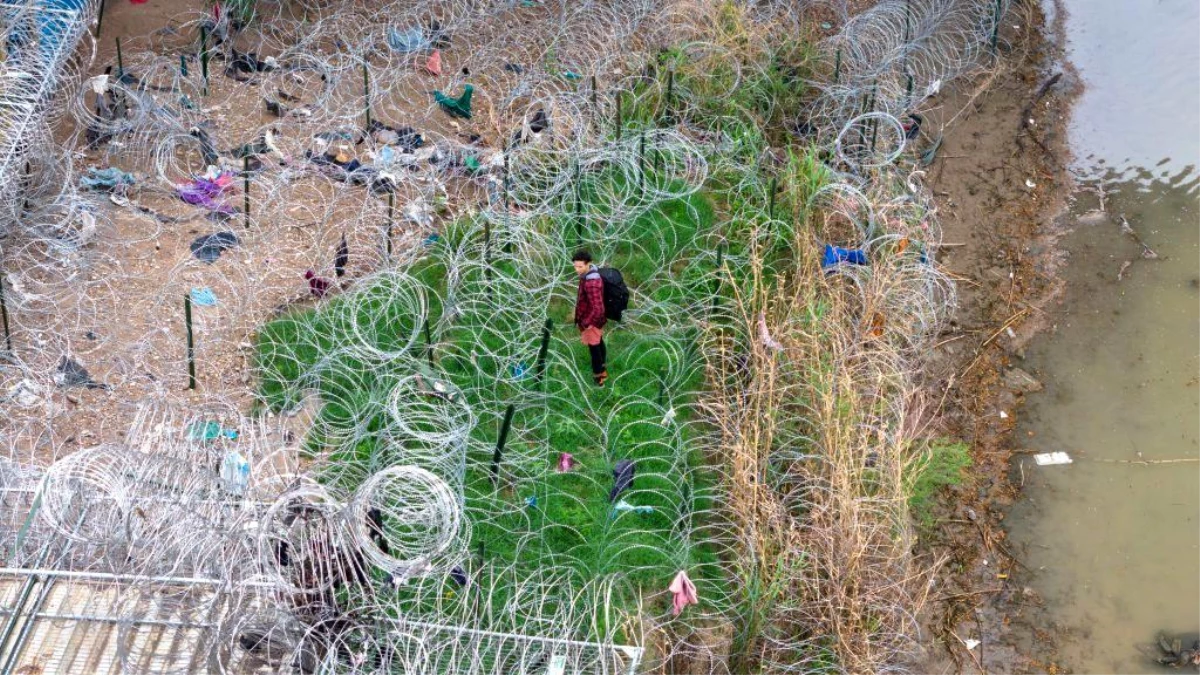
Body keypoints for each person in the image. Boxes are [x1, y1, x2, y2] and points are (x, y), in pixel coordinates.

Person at [572, 250, 607, 386]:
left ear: (588, 264)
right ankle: (603, 367)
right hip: (592, 318)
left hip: (591, 319)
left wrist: (588, 322)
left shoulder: (591, 282)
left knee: (594, 348)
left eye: (580, 266)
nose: (577, 269)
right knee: (598, 342)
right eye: (575, 266)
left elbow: (598, 308)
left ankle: (599, 377)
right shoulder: (587, 275)